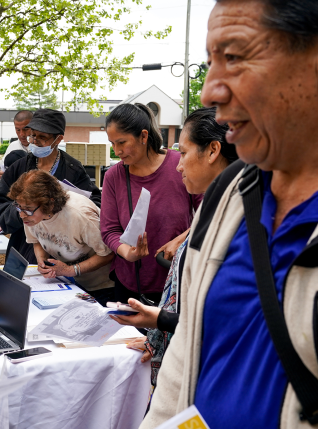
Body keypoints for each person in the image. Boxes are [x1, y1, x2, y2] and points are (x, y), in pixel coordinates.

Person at [141, 2, 318, 428]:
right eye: (209, 63)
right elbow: (186, 350)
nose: (209, 92)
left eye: (235, 57)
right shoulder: (230, 193)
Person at [110, 107, 238, 389]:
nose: (179, 165)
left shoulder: (240, 221)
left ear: (213, 150)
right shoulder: (219, 206)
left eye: (184, 152)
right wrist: (161, 323)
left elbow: (227, 320)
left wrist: (162, 321)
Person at [100, 103, 203, 305]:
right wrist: (126, 253)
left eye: (121, 142)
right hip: (129, 286)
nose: (116, 151)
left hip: (176, 283)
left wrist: (182, 239)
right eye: (112, 143)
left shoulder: (179, 165)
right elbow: (108, 230)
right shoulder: (114, 176)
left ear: (144, 136)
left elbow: (210, 213)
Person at [0, 108, 101, 263]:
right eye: (33, 136)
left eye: (42, 137)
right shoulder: (19, 167)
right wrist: (25, 210)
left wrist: (63, 209)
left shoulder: (73, 169)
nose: (35, 141)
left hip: (62, 249)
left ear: (58, 139)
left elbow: (94, 204)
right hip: (24, 246)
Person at [8, 170, 115, 303]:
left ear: (49, 204)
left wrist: (71, 270)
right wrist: (42, 262)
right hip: (68, 283)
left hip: (100, 286)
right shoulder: (30, 214)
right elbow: (36, 240)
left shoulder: (80, 215)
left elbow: (108, 253)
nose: (22, 215)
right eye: (19, 207)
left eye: (28, 209)